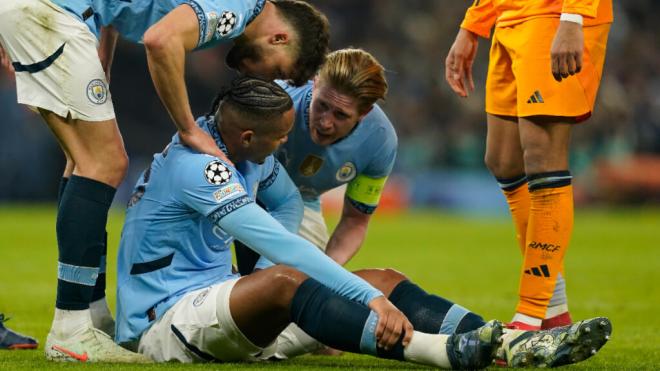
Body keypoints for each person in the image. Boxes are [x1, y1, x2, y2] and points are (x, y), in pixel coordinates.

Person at [116, 77, 611, 368]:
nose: (287, 146)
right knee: (293, 280)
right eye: (281, 138)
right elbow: (285, 249)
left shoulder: (241, 150)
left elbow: (287, 205)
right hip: (165, 321)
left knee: (385, 280)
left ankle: (509, 343)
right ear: (248, 135)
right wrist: (356, 297)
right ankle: (442, 353)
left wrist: (261, 272)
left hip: (220, 299)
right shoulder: (199, 167)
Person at [0, 0, 329, 362]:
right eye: (276, 70)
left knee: (82, 159)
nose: (264, 78)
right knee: (103, 163)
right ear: (279, 38)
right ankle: (71, 327)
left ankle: (88, 314)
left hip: (67, 12)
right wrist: (189, 129)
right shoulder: (238, 8)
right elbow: (160, 40)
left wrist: (102, 58)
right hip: (54, 11)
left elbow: (115, 12)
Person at [445, 0, 613, 330]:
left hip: (553, 15)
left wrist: (573, 17)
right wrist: (472, 25)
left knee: (542, 156)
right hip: (509, 17)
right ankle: (553, 308)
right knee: (503, 161)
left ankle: (531, 311)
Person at [235, 48, 397, 275]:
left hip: (302, 201)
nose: (326, 122)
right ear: (315, 83)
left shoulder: (379, 141)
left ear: (364, 113)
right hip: (240, 186)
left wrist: (326, 271)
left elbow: (355, 221)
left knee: (298, 288)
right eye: (322, 105)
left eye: (340, 115)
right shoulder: (276, 103)